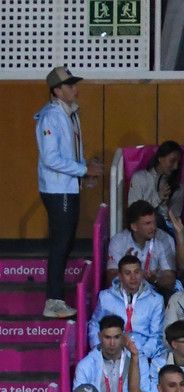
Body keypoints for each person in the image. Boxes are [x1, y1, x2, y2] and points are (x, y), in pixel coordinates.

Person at [35, 67, 100, 319]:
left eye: (74, 84)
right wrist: (83, 170)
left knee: (66, 242)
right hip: (57, 189)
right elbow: (51, 158)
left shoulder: (70, 114)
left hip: (67, 187)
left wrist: (85, 173)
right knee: (61, 244)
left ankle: (56, 298)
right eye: (70, 85)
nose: (75, 89)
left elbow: (72, 151)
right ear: (57, 90)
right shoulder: (51, 116)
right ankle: (53, 300)